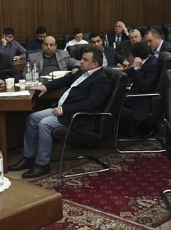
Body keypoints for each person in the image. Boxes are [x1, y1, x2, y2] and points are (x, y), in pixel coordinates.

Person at [8, 48, 110, 178]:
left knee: (45, 124)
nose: (80, 61)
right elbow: (65, 80)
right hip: (65, 110)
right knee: (33, 118)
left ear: (95, 64)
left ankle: (42, 164)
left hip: (79, 117)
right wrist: (45, 87)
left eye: (85, 60)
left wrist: (64, 110)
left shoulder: (101, 80)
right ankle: (28, 158)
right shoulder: (83, 72)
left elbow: (91, 105)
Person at [122, 42, 160, 133]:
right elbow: (131, 71)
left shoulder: (153, 64)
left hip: (140, 98)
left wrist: (137, 69)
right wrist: (116, 74)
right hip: (135, 92)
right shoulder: (148, 60)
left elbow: (145, 87)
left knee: (112, 98)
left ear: (136, 56)